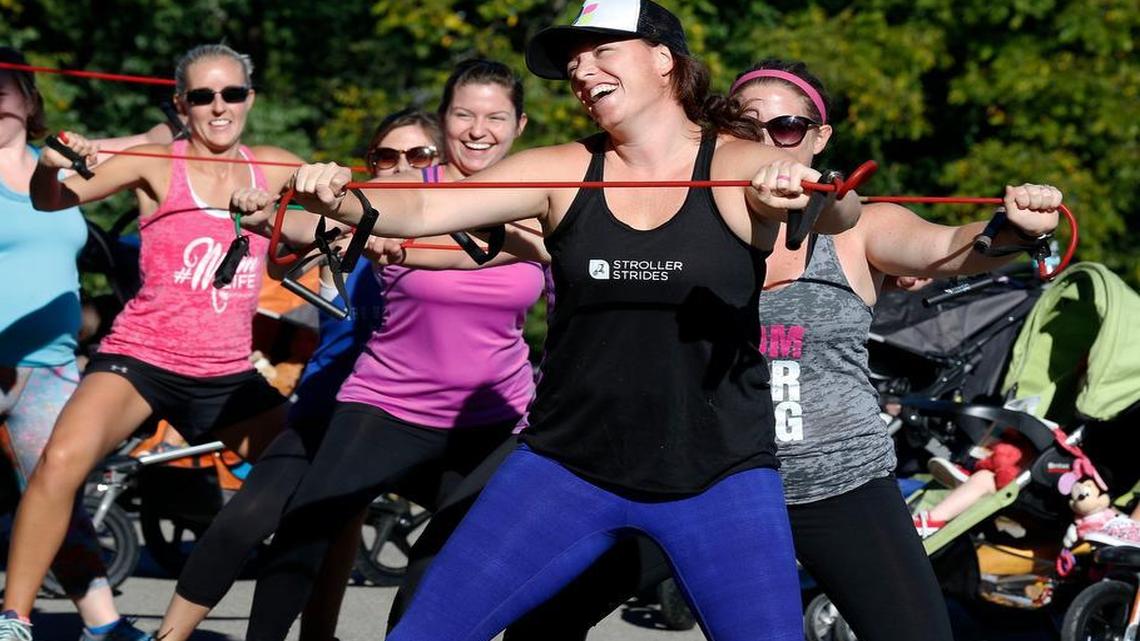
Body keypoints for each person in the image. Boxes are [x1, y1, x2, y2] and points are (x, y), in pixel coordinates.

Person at [242, 2, 864, 639]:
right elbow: (426, 204)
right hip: (564, 470)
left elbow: (841, 216)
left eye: (601, 51)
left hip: (718, 479)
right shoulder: (562, 170)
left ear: (662, 58)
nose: (580, 69)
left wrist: (808, 189)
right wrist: (340, 198)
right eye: (573, 60)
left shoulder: (736, 166)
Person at [442, 56, 1063, 641]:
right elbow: (531, 237)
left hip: (835, 482)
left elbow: (950, 247)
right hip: (695, 480)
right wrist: (362, 219)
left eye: (786, 128)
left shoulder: (858, 227)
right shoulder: (673, 219)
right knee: (539, 629)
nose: (766, 141)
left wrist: (1013, 229)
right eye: (745, 126)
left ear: (820, 138)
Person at [231, 59, 547, 641]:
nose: (479, 130)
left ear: (520, 124)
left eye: (496, 116)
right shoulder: (404, 192)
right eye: (464, 114)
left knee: (445, 569)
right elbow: (332, 227)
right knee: (306, 529)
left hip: (494, 419)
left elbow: (580, 289)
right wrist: (268, 215)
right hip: (389, 403)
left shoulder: (540, 201)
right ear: (443, 120)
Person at [0, 44, 305, 641]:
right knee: (59, 465)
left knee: (312, 483)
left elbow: (350, 213)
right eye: (202, 96)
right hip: (141, 359)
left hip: (226, 373)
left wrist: (337, 186)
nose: (219, 107)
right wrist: (50, 163)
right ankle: (13, 618)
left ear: (250, 98)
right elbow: (50, 198)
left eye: (232, 93)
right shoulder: (156, 161)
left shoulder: (275, 164)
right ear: (181, 105)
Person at [153, 107, 443, 641]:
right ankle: (166, 638)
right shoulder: (347, 221)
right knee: (250, 518)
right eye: (386, 155)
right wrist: (262, 209)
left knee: (358, 528)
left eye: (419, 155)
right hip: (327, 405)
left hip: (416, 418)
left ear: (440, 164)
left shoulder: (464, 232)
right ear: (368, 165)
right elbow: (289, 240)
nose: (401, 166)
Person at [0, 45, 182, 641]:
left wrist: (183, 106)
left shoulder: (62, 163)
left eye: (8, 85)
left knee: (55, 493)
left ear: (29, 98)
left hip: (49, 367)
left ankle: (102, 625)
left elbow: (158, 135)